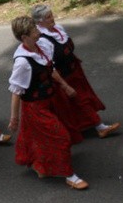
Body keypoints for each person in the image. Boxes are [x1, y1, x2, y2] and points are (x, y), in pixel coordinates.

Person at [8, 16, 89, 190]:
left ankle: (41, 165)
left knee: (45, 137)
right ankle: (69, 175)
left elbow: (51, 70)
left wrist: (65, 86)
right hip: (35, 107)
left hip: (51, 99)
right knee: (61, 137)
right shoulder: (22, 62)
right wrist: (14, 118)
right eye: (34, 31)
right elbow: (16, 92)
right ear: (24, 38)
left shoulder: (41, 47)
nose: (38, 32)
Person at [30, 4, 120, 139]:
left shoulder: (58, 29)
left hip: (75, 71)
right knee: (80, 99)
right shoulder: (43, 40)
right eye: (47, 17)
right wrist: (63, 84)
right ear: (39, 22)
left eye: (51, 15)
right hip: (63, 76)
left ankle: (80, 126)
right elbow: (49, 64)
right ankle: (100, 127)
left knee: (83, 98)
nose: (51, 18)